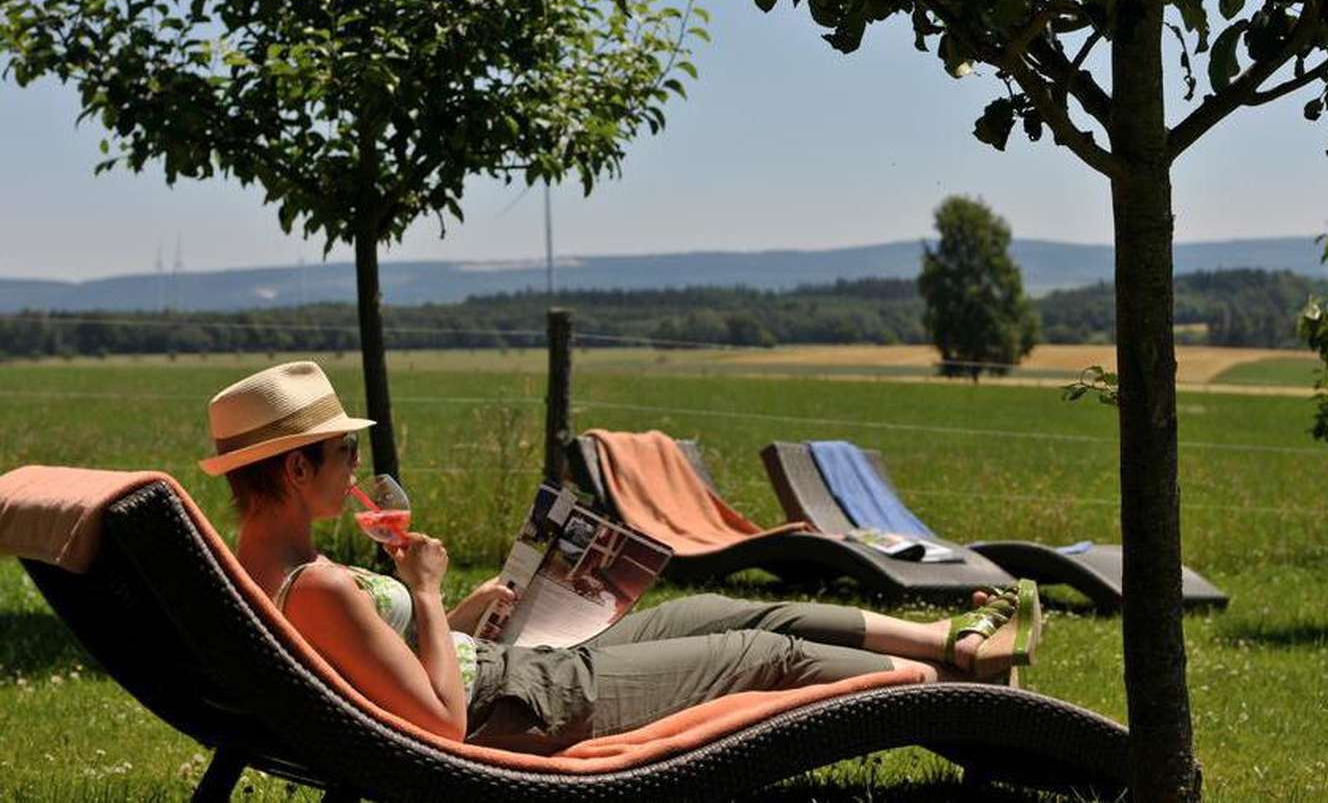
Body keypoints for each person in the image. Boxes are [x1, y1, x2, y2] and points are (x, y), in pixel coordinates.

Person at [201, 361, 1042, 749]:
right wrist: (422, 594)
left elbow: (391, 666)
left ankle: (957, 647)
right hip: (519, 700)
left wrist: (465, 610)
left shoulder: (260, 572)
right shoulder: (312, 587)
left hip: (501, 662)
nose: (357, 467)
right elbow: (439, 723)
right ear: (297, 467)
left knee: (722, 611)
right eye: (345, 453)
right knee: (761, 656)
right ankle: (963, 700)